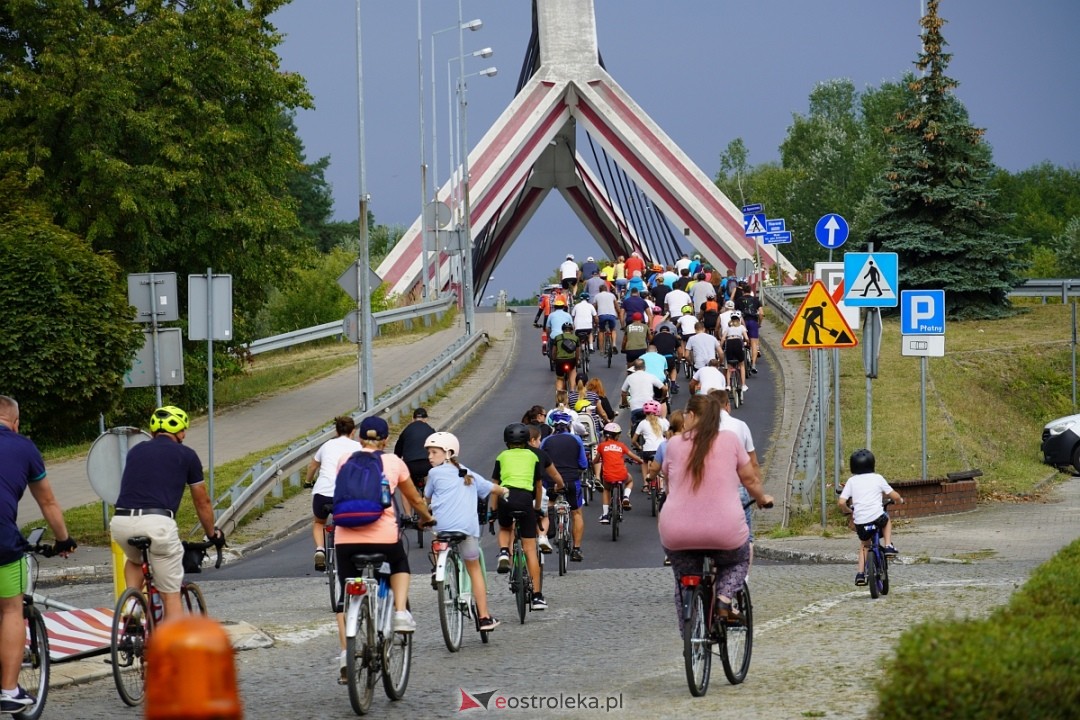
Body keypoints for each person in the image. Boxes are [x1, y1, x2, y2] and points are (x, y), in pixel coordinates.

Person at [659, 394, 772, 632]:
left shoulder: (674, 444)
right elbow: (750, 479)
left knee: (684, 579)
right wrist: (762, 498)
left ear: (690, 416)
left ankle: (689, 637)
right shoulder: (730, 440)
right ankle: (724, 600)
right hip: (725, 531)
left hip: (677, 532)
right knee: (738, 560)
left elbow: (668, 484)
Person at [332, 416, 433, 680]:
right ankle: (400, 613)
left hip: (345, 538)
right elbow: (413, 498)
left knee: (345, 595)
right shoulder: (394, 462)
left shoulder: (345, 460)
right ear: (386, 440)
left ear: (359, 438)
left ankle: (346, 655)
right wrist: (427, 518)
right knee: (400, 564)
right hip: (383, 537)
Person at [111, 405, 224, 624]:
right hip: (158, 523)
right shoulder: (187, 455)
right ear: (180, 432)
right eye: (184, 430)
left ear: (154, 431)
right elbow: (202, 501)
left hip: (121, 521)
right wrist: (212, 533)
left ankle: (132, 606)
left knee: (135, 560)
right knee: (170, 593)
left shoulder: (136, 451)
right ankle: (174, 649)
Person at [0, 396, 77, 712]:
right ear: (15, 423)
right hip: (2, 542)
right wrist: (64, 540)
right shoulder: (25, 447)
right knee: (10, 610)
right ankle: (8, 691)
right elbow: (48, 503)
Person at [422, 432, 503, 632]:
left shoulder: (433, 474)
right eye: (429, 453)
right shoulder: (468, 473)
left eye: (434, 452)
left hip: (443, 527)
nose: (430, 457)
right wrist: (505, 491)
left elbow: (427, 500)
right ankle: (484, 617)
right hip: (467, 529)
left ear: (448, 453)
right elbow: (491, 487)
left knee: (438, 536)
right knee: (474, 569)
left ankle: (438, 568)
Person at [493, 423, 554, 610]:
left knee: (504, 527)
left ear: (507, 442)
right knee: (529, 548)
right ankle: (537, 596)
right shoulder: (532, 456)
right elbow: (538, 486)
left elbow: (494, 484)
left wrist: (493, 510)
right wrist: (536, 508)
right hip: (525, 498)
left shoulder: (501, 456)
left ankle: (504, 551)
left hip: (505, 496)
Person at [838, 449, 904, 586]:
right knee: (886, 519)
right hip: (877, 518)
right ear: (872, 464)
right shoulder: (878, 478)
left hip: (861, 522)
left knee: (864, 545)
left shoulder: (851, 481)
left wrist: (848, 511)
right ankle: (888, 546)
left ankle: (860, 574)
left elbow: (841, 502)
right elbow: (894, 496)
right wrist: (899, 501)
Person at [305, 415, 362, 571]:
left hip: (322, 493)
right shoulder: (358, 447)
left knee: (319, 522)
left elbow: (312, 467)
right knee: (352, 522)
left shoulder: (327, 445)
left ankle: (320, 550)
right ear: (354, 431)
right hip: (347, 495)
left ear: (336, 431)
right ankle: (351, 551)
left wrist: (307, 482)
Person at [539, 413, 588, 562]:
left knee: (550, 505)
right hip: (571, 480)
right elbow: (583, 464)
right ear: (569, 425)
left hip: (550, 481)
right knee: (576, 513)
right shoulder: (576, 439)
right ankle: (576, 549)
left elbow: (542, 462)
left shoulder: (546, 441)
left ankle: (550, 531)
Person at [594, 422, 642, 521]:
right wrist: (641, 461)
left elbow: (596, 460)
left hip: (608, 476)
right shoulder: (621, 445)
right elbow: (632, 456)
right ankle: (625, 497)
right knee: (630, 481)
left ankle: (605, 515)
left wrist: (593, 461)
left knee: (606, 489)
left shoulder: (602, 446)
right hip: (622, 474)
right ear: (617, 436)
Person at [392, 407, 436, 517]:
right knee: (431, 482)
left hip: (410, 465)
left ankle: (408, 516)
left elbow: (397, 452)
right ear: (426, 419)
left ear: (413, 419)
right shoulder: (431, 430)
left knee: (404, 489)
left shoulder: (406, 430)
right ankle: (429, 509)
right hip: (427, 464)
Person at [632, 401, 669, 492]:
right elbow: (668, 435)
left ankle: (645, 484)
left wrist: (639, 446)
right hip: (661, 449)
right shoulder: (663, 422)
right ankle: (662, 483)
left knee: (644, 462)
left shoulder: (642, 423)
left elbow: (633, 440)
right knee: (662, 464)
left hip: (647, 451)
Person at [621, 358, 666, 428]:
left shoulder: (629, 377)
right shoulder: (651, 376)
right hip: (649, 406)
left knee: (633, 423)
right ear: (644, 367)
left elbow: (623, 392)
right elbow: (664, 388)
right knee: (653, 424)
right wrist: (662, 397)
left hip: (635, 407)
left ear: (634, 368)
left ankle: (632, 435)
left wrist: (624, 403)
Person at [737, 288, 764, 374]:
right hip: (753, 322)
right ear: (751, 292)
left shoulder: (738, 300)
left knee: (741, 340)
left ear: (743, 292)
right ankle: (753, 365)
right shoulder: (756, 300)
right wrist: (759, 323)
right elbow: (761, 313)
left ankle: (740, 361)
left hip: (742, 322)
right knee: (754, 344)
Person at [722, 312, 751, 393]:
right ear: (739, 319)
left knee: (729, 366)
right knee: (741, 365)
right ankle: (743, 385)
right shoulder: (741, 327)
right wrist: (747, 343)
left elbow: (723, 339)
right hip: (738, 343)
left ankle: (728, 385)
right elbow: (746, 338)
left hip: (730, 344)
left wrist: (721, 347)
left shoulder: (728, 328)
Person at [551, 321, 580, 392]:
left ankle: (559, 392)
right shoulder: (575, 338)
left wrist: (554, 359)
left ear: (562, 330)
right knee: (572, 370)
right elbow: (577, 352)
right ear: (571, 330)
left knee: (560, 378)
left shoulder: (557, 338)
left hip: (559, 360)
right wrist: (576, 361)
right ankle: (572, 389)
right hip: (571, 360)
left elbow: (554, 351)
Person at [592, 283, 621, 354]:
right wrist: (619, 314)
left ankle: (601, 349)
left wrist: (594, 315)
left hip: (601, 315)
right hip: (611, 314)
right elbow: (617, 306)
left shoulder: (597, 296)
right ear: (607, 290)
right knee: (613, 329)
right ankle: (614, 344)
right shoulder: (612, 295)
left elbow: (594, 307)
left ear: (599, 290)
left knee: (601, 331)